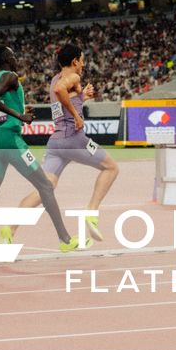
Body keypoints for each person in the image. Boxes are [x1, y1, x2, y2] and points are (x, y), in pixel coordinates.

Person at [0, 44, 83, 252]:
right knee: (46, 187)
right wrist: (20, 116)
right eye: (12, 54)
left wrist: (19, 110)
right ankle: (65, 240)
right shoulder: (10, 76)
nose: (16, 58)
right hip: (11, 141)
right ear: (5, 58)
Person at [43, 43, 118, 238]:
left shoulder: (54, 80)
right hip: (76, 140)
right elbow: (62, 91)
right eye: (83, 61)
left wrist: (82, 96)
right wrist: (77, 116)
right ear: (75, 61)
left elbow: (60, 96)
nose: (83, 65)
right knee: (111, 168)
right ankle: (91, 212)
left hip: (56, 141)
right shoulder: (73, 77)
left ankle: (10, 228)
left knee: (45, 187)